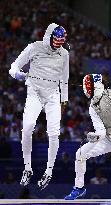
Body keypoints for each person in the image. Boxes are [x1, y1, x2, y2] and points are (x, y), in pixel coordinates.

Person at [9, 23, 69, 190]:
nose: (58, 45)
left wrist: (64, 101)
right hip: (34, 92)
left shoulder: (64, 54)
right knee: (27, 128)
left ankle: (48, 171)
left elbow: (64, 80)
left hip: (53, 96)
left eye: (61, 42)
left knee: (54, 133)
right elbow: (13, 67)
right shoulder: (34, 47)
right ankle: (27, 168)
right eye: (56, 41)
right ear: (49, 37)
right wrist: (18, 74)